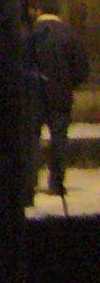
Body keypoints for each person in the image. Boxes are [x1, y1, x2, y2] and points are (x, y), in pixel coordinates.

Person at [27, 14, 88, 198]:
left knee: (31, 138)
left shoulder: (30, 35)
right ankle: (57, 182)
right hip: (60, 95)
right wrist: (68, 84)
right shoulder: (70, 35)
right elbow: (82, 69)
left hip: (34, 95)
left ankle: (29, 181)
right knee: (59, 139)